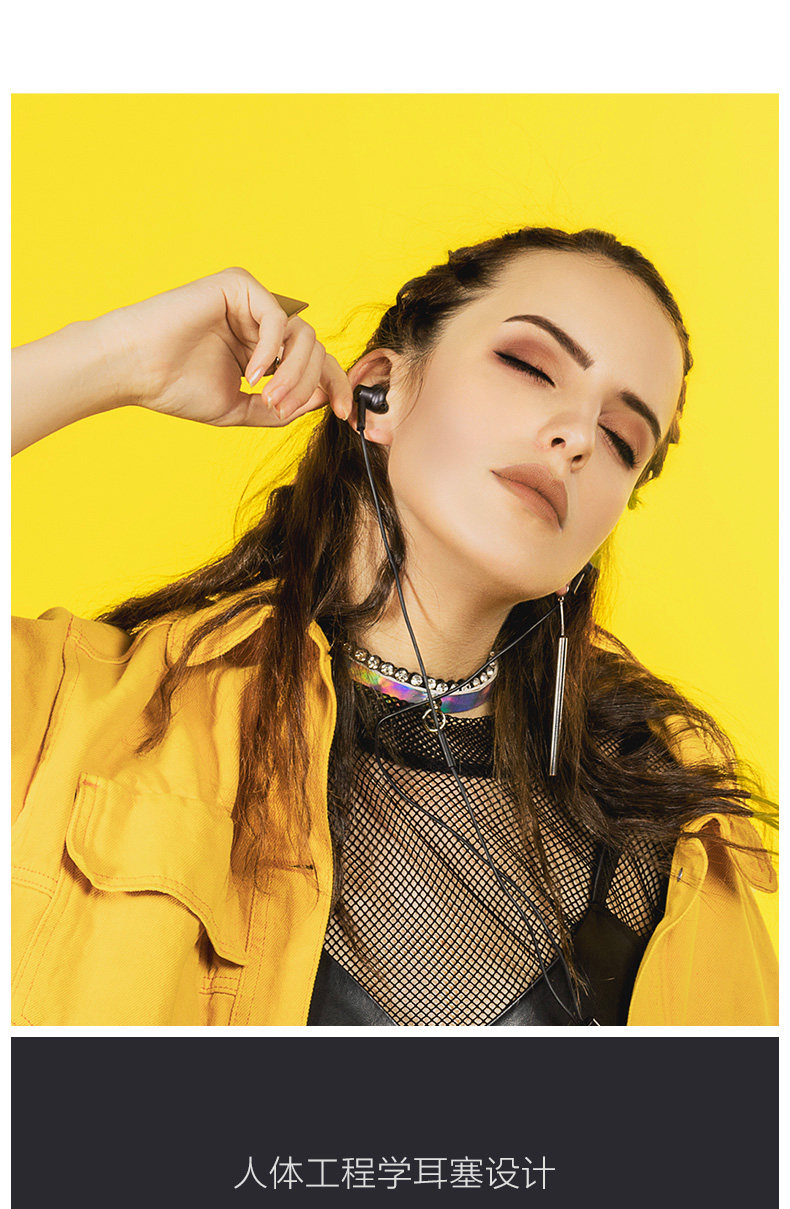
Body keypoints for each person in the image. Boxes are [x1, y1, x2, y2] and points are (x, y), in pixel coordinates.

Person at [11, 226, 778, 1027]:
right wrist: (117, 359)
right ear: (381, 388)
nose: (579, 438)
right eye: (529, 366)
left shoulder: (674, 845)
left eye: (622, 440)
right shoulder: (87, 713)